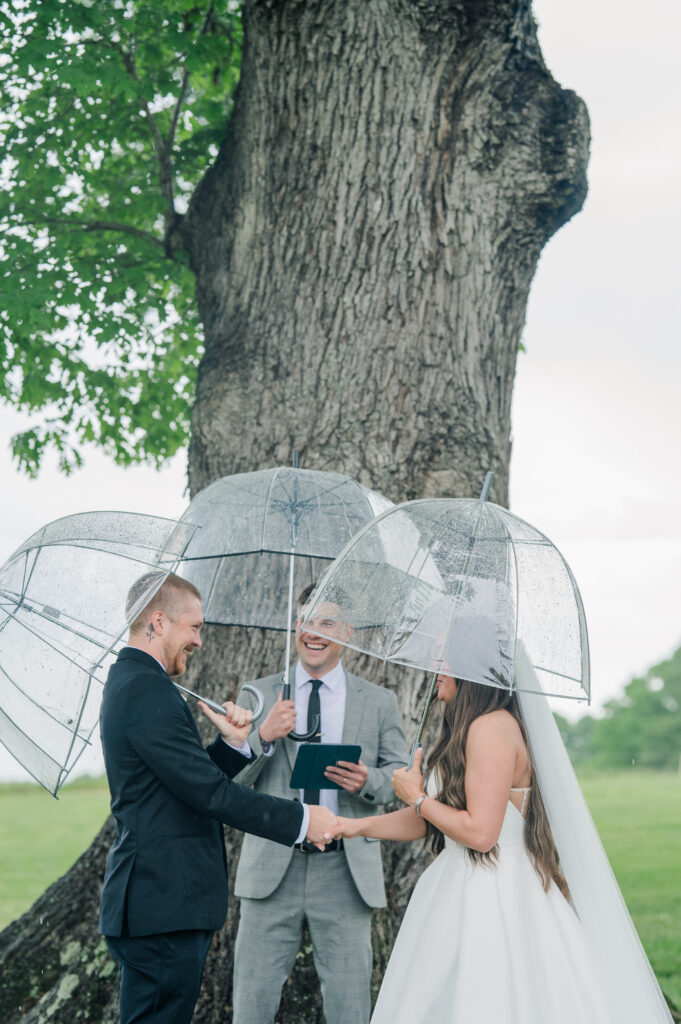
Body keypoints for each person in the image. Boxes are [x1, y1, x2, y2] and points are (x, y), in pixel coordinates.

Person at [99, 572, 338, 1024]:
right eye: (194, 627)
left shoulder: (137, 684)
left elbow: (182, 787)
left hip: (161, 903)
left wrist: (231, 746)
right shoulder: (145, 690)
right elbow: (210, 794)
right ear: (158, 622)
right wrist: (302, 821)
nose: (199, 641)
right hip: (161, 905)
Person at [334, 672, 616, 1024]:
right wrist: (351, 826)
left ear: (474, 668)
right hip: (454, 883)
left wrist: (418, 797)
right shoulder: (465, 728)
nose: (435, 672)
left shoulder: (492, 728)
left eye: (445, 660)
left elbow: (482, 834)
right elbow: (435, 820)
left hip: (494, 891)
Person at [230, 583, 409, 1024]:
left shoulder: (380, 702)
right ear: (295, 626)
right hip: (273, 868)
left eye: (326, 622)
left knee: (350, 1007)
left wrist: (370, 780)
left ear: (346, 631)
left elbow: (402, 781)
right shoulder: (259, 694)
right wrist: (263, 738)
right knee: (251, 1004)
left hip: (344, 871)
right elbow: (228, 782)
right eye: (306, 620)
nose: (314, 631)